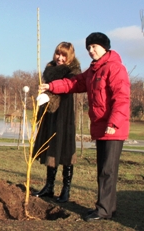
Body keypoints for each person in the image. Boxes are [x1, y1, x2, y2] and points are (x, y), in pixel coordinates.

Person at [39, 32, 130, 221]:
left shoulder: (114, 68)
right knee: (104, 170)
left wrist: (113, 123)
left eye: (94, 47)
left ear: (105, 47)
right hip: (101, 127)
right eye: (88, 48)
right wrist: (51, 87)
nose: (91, 51)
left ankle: (103, 210)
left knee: (107, 170)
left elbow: (121, 98)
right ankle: (107, 208)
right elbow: (74, 83)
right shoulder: (94, 70)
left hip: (113, 127)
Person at [32, 42, 81, 203]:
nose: (60, 58)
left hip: (64, 114)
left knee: (66, 149)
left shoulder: (73, 71)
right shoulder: (49, 69)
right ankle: (49, 186)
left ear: (70, 56)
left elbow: (66, 86)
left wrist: (50, 89)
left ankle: (66, 189)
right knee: (50, 145)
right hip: (50, 114)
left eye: (63, 55)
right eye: (58, 54)